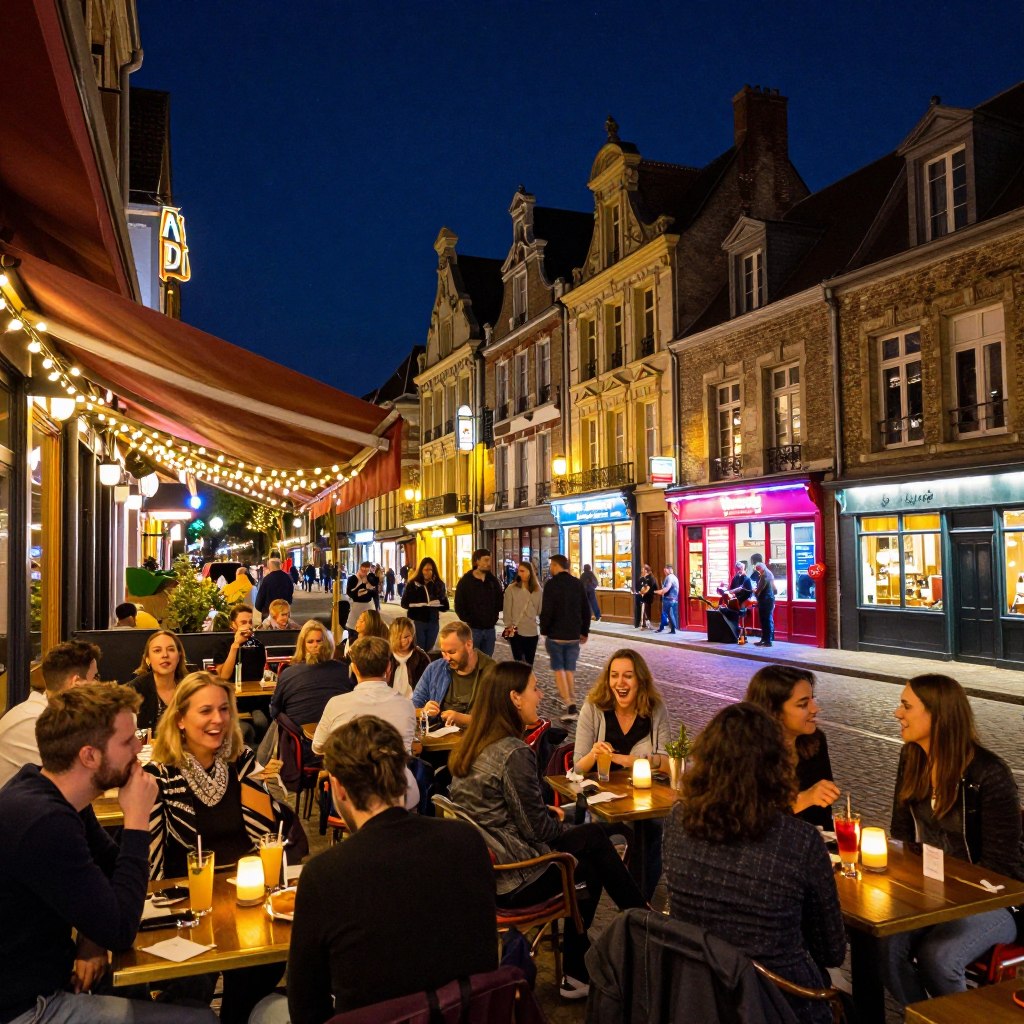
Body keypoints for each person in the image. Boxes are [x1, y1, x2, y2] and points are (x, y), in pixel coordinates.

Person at [249, 717, 497, 1024]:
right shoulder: (467, 841)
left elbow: (307, 1008)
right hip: (463, 1014)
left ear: (337, 788)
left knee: (262, 1010)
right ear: (404, 776)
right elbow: (485, 961)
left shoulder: (325, 875)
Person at [0, 683, 215, 1023]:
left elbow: (112, 875)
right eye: (128, 741)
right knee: (200, 1020)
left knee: (177, 994)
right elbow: (119, 929)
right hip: (26, 1008)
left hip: (50, 979)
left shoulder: (48, 791)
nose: (140, 746)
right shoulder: (45, 821)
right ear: (89, 755)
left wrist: (91, 938)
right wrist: (137, 819)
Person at [448, 660, 647, 1000]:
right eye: (535, 689)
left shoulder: (472, 744)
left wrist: (547, 813)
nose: (540, 696)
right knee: (592, 848)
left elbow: (505, 812)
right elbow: (540, 831)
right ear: (514, 697)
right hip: (517, 876)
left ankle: (584, 969)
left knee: (590, 850)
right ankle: (640, 927)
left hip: (484, 872)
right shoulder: (513, 752)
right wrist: (555, 817)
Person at [664, 702, 846, 1024]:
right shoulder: (799, 840)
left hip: (696, 995)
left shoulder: (678, 821)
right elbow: (831, 951)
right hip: (782, 1002)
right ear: (777, 766)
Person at [146, 671, 300, 1024]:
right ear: (180, 719)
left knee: (263, 968)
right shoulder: (159, 776)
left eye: (224, 709)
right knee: (191, 987)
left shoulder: (241, 762)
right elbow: (151, 866)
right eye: (205, 711)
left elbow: (274, 830)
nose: (218, 720)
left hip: (246, 905)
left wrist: (266, 790)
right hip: (187, 910)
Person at [881, 674, 1022, 1006]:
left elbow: (1002, 868)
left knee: (938, 957)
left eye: (906, 706)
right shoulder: (911, 758)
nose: (897, 714)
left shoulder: (989, 775)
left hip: (994, 900)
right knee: (882, 946)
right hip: (930, 891)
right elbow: (901, 835)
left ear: (938, 715)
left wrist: (944, 896)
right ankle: (922, 1014)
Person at [573, 648, 671, 900]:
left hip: (644, 799)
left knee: (653, 831)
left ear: (640, 680)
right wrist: (595, 754)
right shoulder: (594, 708)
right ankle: (628, 903)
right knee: (594, 837)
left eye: (628, 676)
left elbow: (668, 762)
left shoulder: (655, 710)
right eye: (614, 676)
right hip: (602, 800)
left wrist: (629, 760)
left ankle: (640, 902)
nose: (620, 683)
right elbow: (577, 767)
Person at [745, 666, 840, 830]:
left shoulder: (815, 741)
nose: (815, 709)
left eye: (812, 699)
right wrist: (805, 798)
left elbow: (823, 814)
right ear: (774, 712)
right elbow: (749, 817)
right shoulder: (748, 750)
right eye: (803, 704)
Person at [0, 640, 100, 789]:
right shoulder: (33, 721)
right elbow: (78, 780)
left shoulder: (58, 715)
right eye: (95, 678)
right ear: (76, 683)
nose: (99, 685)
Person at [311, 637, 416, 765]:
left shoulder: (336, 704)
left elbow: (318, 747)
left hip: (350, 781)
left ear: (354, 668)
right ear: (389, 667)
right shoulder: (406, 706)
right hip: (396, 781)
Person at [411, 620, 494, 729]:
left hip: (476, 741)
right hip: (439, 739)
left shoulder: (493, 673)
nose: (447, 658)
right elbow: (411, 707)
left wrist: (462, 719)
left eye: (452, 652)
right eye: (443, 652)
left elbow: (497, 720)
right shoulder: (435, 669)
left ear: (469, 645)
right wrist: (423, 711)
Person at [270, 620, 351, 728]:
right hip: (313, 734)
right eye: (310, 642)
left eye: (319, 641)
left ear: (326, 643)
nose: (315, 645)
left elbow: (275, 710)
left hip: (308, 737)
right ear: (303, 645)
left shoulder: (344, 670)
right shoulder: (344, 670)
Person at [539, 553, 590, 721]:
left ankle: (569, 704)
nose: (550, 568)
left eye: (552, 565)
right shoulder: (577, 583)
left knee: (559, 669)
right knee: (569, 669)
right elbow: (585, 609)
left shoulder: (551, 585)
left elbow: (547, 610)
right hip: (573, 635)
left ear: (556, 565)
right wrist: (584, 631)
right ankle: (572, 700)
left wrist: (544, 629)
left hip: (556, 635)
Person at [129, 629, 188, 734]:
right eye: (157, 650)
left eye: (170, 649)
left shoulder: (190, 686)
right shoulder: (134, 690)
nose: (165, 655)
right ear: (148, 659)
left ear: (179, 656)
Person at [453, 548, 504, 656]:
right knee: (472, 660)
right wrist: (469, 619)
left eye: (490, 560)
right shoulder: (466, 581)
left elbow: (500, 601)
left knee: (487, 662)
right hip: (474, 630)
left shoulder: (493, 581)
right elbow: (459, 604)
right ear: (477, 561)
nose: (489, 563)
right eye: (485, 560)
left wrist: (493, 616)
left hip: (490, 629)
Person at [401, 556, 449, 652]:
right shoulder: (412, 584)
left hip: (433, 621)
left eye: (431, 570)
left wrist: (439, 602)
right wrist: (418, 603)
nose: (428, 572)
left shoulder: (438, 584)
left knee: (429, 649)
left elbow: (445, 606)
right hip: (418, 621)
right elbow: (404, 603)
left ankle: (427, 665)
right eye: (426, 570)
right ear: (421, 570)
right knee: (419, 649)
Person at [502, 560, 542, 665]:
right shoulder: (511, 589)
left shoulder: (537, 590)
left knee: (529, 662)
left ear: (530, 572)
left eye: (523, 571)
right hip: (516, 631)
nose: (520, 573)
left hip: (532, 631)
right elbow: (507, 610)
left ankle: (528, 680)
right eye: (519, 571)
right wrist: (508, 625)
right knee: (519, 663)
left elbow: (539, 610)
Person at [215, 604, 266, 683]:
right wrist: (235, 645)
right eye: (243, 622)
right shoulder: (223, 644)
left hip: (253, 690)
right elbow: (224, 676)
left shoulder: (258, 645)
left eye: (250, 622)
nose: (248, 626)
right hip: (231, 690)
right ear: (233, 624)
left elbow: (259, 676)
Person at [386, 615, 431, 698]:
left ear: (413, 635)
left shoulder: (421, 658)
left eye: (407, 636)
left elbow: (427, 687)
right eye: (398, 637)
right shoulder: (385, 656)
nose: (403, 641)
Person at [345, 561, 378, 640]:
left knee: (367, 636)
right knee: (353, 636)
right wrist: (362, 584)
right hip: (356, 609)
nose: (364, 573)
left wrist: (377, 607)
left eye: (366, 571)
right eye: (363, 571)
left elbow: (375, 594)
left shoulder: (370, 579)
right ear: (360, 569)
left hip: (368, 609)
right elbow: (351, 594)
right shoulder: (353, 579)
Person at [749, 552, 776, 646]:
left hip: (765, 600)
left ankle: (766, 640)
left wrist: (753, 590)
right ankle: (767, 639)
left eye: (758, 570)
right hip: (770, 599)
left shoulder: (764, 576)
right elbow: (774, 589)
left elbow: (759, 590)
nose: (758, 572)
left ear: (760, 569)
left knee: (765, 620)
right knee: (768, 619)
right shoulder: (769, 574)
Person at [654, 563, 680, 634]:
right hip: (674, 599)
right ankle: (672, 629)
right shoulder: (675, 577)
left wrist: (656, 592)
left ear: (669, 569)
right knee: (670, 615)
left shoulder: (669, 578)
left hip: (668, 599)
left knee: (665, 614)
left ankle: (662, 628)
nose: (664, 572)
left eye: (665, 571)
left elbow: (666, 589)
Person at [634, 563, 657, 630]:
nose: (641, 570)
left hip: (647, 597)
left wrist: (643, 591)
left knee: (645, 610)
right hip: (640, 597)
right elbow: (637, 586)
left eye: (643, 569)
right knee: (643, 611)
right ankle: (644, 623)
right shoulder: (642, 578)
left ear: (646, 570)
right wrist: (638, 591)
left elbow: (650, 588)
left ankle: (645, 624)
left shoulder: (651, 578)